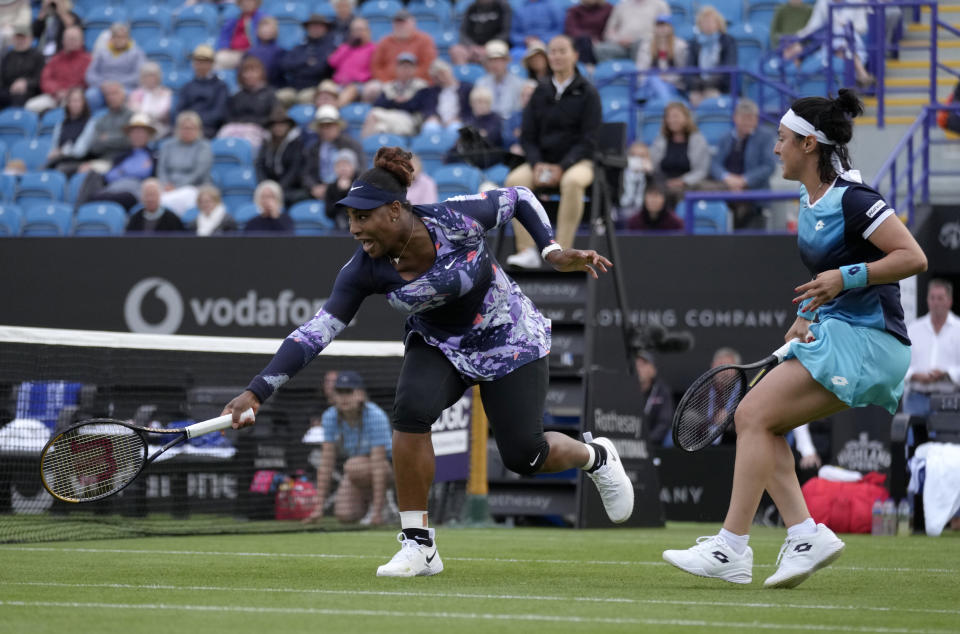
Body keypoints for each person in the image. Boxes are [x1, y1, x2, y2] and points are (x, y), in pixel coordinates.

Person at [221, 146, 631, 578]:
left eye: (363, 217)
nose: (355, 229)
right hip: (440, 345)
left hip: (508, 338)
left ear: (395, 210)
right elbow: (315, 332)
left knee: (526, 456)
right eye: (350, 219)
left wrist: (550, 250)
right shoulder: (362, 270)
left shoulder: (454, 218)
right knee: (411, 411)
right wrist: (256, 390)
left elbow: (521, 197)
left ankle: (596, 457)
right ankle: (419, 544)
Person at [663, 89, 928, 589]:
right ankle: (803, 534)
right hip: (840, 331)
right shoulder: (809, 201)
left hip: (873, 342)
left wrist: (844, 279)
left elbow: (913, 257)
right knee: (763, 424)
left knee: (751, 415)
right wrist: (807, 315)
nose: (775, 149)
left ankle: (732, 547)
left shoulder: (855, 198)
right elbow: (825, 279)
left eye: (782, 140)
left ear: (809, 145)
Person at [504, 35, 601, 270]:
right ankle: (527, 250)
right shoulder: (540, 91)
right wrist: (537, 163)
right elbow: (527, 136)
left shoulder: (588, 92)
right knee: (514, 182)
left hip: (578, 162)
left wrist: (563, 166)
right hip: (543, 162)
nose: (556, 56)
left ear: (575, 55)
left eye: (562, 51)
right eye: (553, 52)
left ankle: (563, 253)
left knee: (572, 182)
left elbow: (590, 140)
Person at [302, 371, 394, 525]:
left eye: (349, 392)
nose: (344, 397)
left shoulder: (376, 416)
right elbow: (326, 463)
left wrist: (377, 512)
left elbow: (379, 464)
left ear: (360, 394)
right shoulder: (329, 417)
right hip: (358, 471)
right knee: (345, 515)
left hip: (391, 469)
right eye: (339, 392)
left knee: (353, 465)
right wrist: (318, 508)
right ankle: (374, 507)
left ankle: (380, 507)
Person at [705, 98, 777, 229]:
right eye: (744, 118)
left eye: (751, 118)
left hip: (754, 192)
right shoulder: (725, 138)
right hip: (726, 189)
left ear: (756, 119)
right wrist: (727, 178)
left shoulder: (765, 137)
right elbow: (714, 164)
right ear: (735, 118)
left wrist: (744, 180)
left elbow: (769, 166)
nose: (747, 122)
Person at [76, 112, 156, 210]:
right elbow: (109, 175)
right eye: (134, 132)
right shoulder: (122, 156)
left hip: (132, 193)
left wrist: (122, 171)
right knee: (92, 177)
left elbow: (143, 173)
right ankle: (79, 213)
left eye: (141, 132)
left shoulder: (152, 156)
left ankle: (83, 208)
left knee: (100, 197)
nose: (137, 135)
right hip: (112, 189)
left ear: (148, 135)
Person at [903, 279, 960, 417]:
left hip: (948, 401)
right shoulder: (913, 329)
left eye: (940, 298)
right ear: (927, 300)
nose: (936, 303)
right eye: (932, 298)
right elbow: (901, 364)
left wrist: (946, 374)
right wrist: (915, 375)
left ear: (949, 301)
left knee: (946, 439)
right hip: (916, 400)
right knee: (914, 438)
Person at [156, 111, 213, 216]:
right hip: (167, 187)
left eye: (191, 128)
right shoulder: (167, 145)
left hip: (193, 188)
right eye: (184, 128)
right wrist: (165, 184)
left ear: (198, 130)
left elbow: (198, 173)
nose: (187, 131)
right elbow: (161, 169)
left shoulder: (204, 146)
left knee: (165, 201)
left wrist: (176, 187)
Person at [303, 104, 365, 202]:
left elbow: (361, 170)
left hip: (346, 189)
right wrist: (314, 187)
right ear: (318, 129)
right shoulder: (313, 148)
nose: (326, 130)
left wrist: (348, 183)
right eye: (322, 126)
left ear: (338, 126)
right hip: (319, 189)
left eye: (329, 126)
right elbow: (306, 173)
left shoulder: (352, 145)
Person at [362, 53, 432, 137]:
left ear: (414, 69)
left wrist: (393, 103)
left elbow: (414, 106)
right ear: (397, 68)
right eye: (402, 66)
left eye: (408, 67)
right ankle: (367, 148)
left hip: (409, 121)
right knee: (380, 128)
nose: (405, 70)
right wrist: (397, 101)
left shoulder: (421, 86)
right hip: (389, 118)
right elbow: (378, 104)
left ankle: (362, 148)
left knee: (373, 115)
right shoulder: (389, 86)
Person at [649, 101, 710, 196]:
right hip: (663, 185)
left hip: (689, 186)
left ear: (686, 118)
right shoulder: (661, 139)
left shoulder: (698, 139)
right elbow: (653, 165)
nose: (671, 120)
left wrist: (683, 181)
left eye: (676, 116)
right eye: (668, 117)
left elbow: (701, 171)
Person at [26, 24, 89, 113]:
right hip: (54, 95)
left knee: (70, 105)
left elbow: (84, 82)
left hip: (74, 97)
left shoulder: (87, 60)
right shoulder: (56, 59)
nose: (71, 42)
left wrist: (69, 92)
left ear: (82, 41)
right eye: (68, 39)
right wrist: (56, 91)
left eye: (74, 39)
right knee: (30, 106)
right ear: (63, 41)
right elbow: (45, 79)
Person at [683, 5, 738, 107]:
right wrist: (700, 86)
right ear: (699, 25)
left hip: (720, 88)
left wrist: (708, 85)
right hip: (697, 88)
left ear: (718, 23)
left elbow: (728, 68)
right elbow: (688, 70)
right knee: (694, 98)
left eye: (711, 21)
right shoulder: (694, 43)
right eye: (704, 22)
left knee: (711, 98)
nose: (707, 25)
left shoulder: (728, 41)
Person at [219, 55, 275, 151]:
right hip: (236, 129)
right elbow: (228, 116)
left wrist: (253, 124)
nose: (250, 75)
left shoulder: (269, 94)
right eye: (246, 72)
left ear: (261, 73)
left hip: (259, 130)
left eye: (254, 71)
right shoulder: (237, 95)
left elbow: (273, 117)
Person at [278, 14, 338, 106]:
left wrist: (299, 66)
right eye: (312, 26)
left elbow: (320, 68)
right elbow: (285, 64)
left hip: (316, 86)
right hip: (294, 86)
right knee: (279, 97)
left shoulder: (330, 48)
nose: (315, 29)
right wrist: (306, 62)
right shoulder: (299, 47)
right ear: (307, 28)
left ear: (325, 28)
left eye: (318, 26)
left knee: (304, 98)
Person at [84, 23, 144, 111]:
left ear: (128, 38)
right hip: (103, 87)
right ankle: (95, 121)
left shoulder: (136, 53)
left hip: (125, 88)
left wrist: (117, 85)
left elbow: (139, 75)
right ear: (111, 38)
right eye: (117, 37)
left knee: (132, 98)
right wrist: (102, 84)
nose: (119, 40)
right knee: (90, 95)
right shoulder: (102, 52)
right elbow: (90, 74)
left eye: (123, 37)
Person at [256, 105, 306, 205]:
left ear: (288, 126)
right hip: (269, 186)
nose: (279, 128)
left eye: (282, 124)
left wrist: (278, 188)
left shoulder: (296, 144)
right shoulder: (266, 143)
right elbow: (259, 165)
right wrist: (267, 185)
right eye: (276, 124)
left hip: (290, 187)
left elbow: (295, 170)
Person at [176, 44, 229, 138]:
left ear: (211, 64)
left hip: (208, 128)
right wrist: (187, 123)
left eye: (203, 62)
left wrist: (195, 123)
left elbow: (219, 113)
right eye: (197, 61)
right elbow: (179, 110)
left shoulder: (220, 87)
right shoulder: (187, 87)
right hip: (186, 127)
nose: (199, 65)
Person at [370, 10, 437, 83]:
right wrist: (387, 81)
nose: (400, 26)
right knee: (373, 88)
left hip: (417, 82)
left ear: (412, 23)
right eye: (397, 23)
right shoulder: (384, 41)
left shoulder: (424, 40)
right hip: (388, 82)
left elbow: (428, 65)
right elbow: (376, 66)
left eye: (403, 23)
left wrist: (407, 78)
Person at [634, 14, 686, 102]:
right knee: (653, 79)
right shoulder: (646, 45)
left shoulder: (680, 46)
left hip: (673, 85)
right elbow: (641, 70)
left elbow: (683, 70)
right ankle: (667, 103)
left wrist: (667, 78)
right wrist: (657, 78)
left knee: (655, 84)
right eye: (659, 25)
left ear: (671, 27)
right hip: (649, 84)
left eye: (665, 25)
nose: (662, 28)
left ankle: (663, 103)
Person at [595, 0, 668, 62]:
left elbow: (666, 30)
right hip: (621, 46)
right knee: (601, 49)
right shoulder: (622, 5)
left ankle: (638, 74)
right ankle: (614, 74)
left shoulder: (659, 5)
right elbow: (609, 31)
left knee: (641, 45)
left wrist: (635, 40)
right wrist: (618, 40)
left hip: (646, 43)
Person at [327, 17, 375, 106]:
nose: (358, 33)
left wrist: (360, 78)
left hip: (359, 86)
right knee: (325, 87)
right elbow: (332, 62)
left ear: (368, 32)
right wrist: (348, 47)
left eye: (361, 30)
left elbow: (375, 69)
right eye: (355, 30)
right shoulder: (346, 47)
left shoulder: (372, 48)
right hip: (339, 84)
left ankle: (334, 108)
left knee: (351, 89)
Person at [474, 39, 527, 121]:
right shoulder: (481, 83)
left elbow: (519, 109)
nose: (495, 64)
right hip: (489, 124)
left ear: (506, 61)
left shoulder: (518, 83)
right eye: (492, 61)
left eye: (499, 60)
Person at [450, 0, 513, 66]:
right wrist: (472, 46)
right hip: (473, 47)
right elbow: (463, 33)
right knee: (457, 51)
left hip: (495, 44)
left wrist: (488, 47)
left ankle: (494, 75)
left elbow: (505, 32)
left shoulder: (502, 6)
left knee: (496, 51)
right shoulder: (471, 7)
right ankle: (465, 74)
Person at [420, 60, 473, 136]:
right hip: (438, 121)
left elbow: (470, 110)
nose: (441, 78)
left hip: (458, 121)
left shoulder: (467, 88)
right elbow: (428, 108)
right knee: (429, 127)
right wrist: (432, 116)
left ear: (450, 71)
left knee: (455, 128)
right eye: (437, 76)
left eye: (443, 73)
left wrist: (459, 118)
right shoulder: (433, 91)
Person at [634, 350, 675, 446]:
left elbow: (664, 422)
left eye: (643, 364)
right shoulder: (626, 390)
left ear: (653, 370)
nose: (638, 368)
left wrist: (648, 441)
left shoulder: (662, 391)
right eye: (637, 364)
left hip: (653, 443)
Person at [46, 86, 90, 175]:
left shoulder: (90, 123)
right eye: (72, 101)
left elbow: (80, 151)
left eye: (77, 101)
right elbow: (53, 147)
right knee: (44, 169)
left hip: (79, 162)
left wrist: (62, 152)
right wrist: (55, 152)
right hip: (59, 160)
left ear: (84, 103)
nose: (74, 104)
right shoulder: (61, 124)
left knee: (59, 170)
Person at [0, 24, 45, 109]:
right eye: (18, 38)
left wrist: (26, 83)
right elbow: (2, 77)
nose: (20, 41)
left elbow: (40, 78)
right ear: (13, 39)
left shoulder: (38, 56)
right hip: (8, 89)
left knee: (18, 98)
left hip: (29, 91)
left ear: (31, 39)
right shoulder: (7, 56)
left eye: (23, 38)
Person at [214, 0, 264, 71]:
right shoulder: (235, 17)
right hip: (233, 53)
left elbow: (264, 38)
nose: (247, 4)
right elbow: (225, 35)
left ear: (256, 3)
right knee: (217, 59)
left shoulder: (261, 18)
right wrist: (224, 47)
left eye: (250, 1)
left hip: (252, 53)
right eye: (244, 2)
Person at [127, 62, 172, 138]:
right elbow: (133, 111)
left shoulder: (165, 93)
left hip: (160, 127)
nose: (149, 79)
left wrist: (146, 113)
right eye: (146, 76)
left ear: (158, 77)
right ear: (142, 78)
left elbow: (163, 113)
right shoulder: (136, 94)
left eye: (152, 76)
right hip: (140, 126)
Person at [564, 0, 613, 66]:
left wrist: (599, 39)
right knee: (584, 40)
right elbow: (571, 29)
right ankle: (587, 66)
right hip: (581, 41)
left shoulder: (608, 9)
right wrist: (589, 38)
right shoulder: (575, 10)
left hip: (601, 41)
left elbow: (611, 27)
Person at [324, 147, 360, 229]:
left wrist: (346, 191)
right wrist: (340, 192)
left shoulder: (360, 185)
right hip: (338, 226)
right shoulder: (331, 187)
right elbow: (329, 212)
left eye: (346, 164)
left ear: (353, 167)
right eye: (339, 165)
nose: (343, 168)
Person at [246, 16, 285, 88]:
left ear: (275, 31)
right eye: (263, 28)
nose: (266, 31)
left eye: (269, 28)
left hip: (274, 86)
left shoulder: (280, 52)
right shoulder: (250, 52)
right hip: (253, 88)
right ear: (258, 31)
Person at [619, 139, 653, 213]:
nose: (637, 159)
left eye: (641, 156)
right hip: (623, 207)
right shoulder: (621, 174)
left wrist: (649, 173)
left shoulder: (650, 176)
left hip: (643, 210)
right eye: (633, 155)